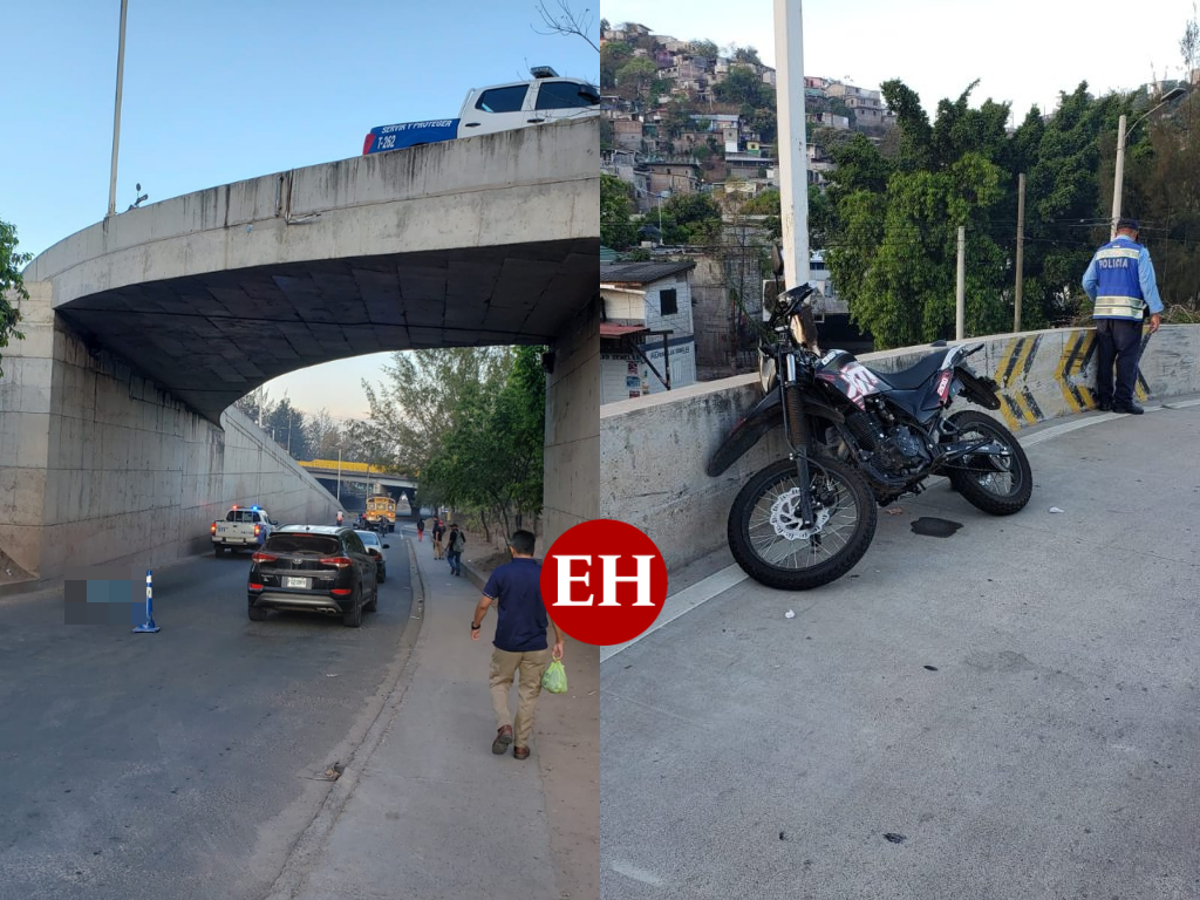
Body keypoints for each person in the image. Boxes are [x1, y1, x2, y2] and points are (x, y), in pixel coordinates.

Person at [470, 530, 564, 760]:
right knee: (529, 694)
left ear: (512, 549)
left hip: (506, 644)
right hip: (536, 645)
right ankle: (521, 746)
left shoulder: (502, 572)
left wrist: (475, 625)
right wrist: (560, 640)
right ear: (533, 550)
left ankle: (504, 726)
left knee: (499, 682)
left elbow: (484, 604)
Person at [1081, 217, 1164, 415]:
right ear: (1135, 233)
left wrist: (1099, 298)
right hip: (1128, 316)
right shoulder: (1139, 252)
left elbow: (1087, 282)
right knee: (1127, 359)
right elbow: (1147, 284)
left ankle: (1104, 401)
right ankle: (1122, 402)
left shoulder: (1101, 252)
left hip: (1103, 315)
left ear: (1117, 232)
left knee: (1105, 358)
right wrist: (1155, 311)